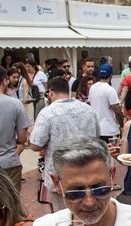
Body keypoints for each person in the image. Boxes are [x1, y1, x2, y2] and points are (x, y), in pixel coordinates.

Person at [28, 76, 99, 210]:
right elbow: (97, 137)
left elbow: (35, 144)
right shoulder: (88, 110)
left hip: (60, 175)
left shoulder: (47, 113)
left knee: (63, 216)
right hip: (88, 170)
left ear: (51, 92)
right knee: (87, 210)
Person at [87, 64, 123, 141]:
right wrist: (122, 124)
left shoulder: (92, 88)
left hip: (96, 130)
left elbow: (90, 104)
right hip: (110, 130)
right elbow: (117, 110)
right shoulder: (110, 89)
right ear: (111, 76)